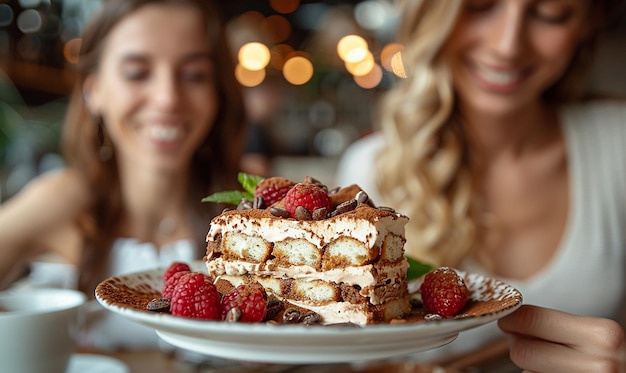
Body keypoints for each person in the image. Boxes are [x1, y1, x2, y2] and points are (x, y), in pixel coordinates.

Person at [336, 0, 625, 371]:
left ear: (586, 23)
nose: (508, 45)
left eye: (551, 11)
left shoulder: (618, 146)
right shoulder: (370, 171)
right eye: (479, 5)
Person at [0, 0, 245, 350]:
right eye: (137, 72)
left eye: (194, 75)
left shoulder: (249, 216)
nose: (167, 99)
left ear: (218, 94)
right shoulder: (63, 200)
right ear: (93, 90)